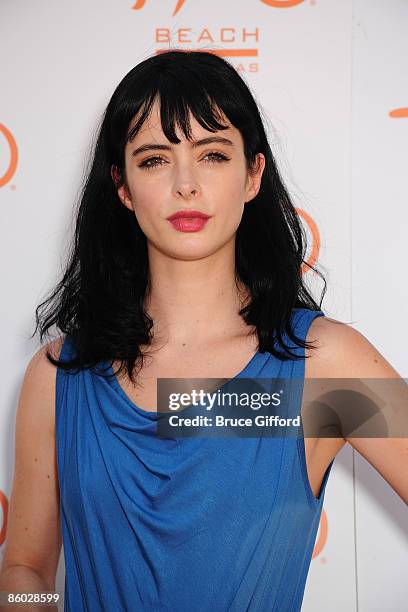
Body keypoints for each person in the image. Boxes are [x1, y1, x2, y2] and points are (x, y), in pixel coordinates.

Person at [0, 50, 406, 612]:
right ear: (121, 186)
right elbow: (25, 567)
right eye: (154, 160)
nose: (185, 185)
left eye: (212, 154)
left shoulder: (325, 366)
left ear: (252, 175)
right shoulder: (56, 377)